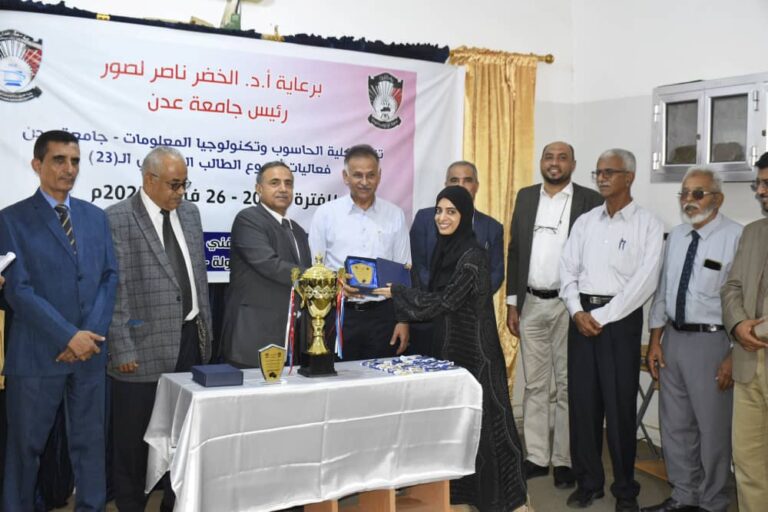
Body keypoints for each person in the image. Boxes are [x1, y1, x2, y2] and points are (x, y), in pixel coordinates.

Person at [374, 186, 527, 511]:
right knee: (458, 425)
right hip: (451, 349)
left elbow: (446, 301)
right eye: (439, 211)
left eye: (451, 212)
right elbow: (438, 298)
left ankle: (501, 500)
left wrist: (397, 293)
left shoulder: (473, 256)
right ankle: (460, 494)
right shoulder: (446, 250)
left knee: (485, 427)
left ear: (465, 215)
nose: (442, 218)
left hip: (476, 353)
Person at [0, 130, 118, 511]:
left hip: (89, 355)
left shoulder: (96, 217)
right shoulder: (10, 220)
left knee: (90, 448)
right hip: (37, 355)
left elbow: (109, 277)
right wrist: (69, 337)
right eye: (59, 160)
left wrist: (88, 337)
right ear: (37, 165)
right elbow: (18, 290)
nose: (69, 169)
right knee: (24, 452)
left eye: (75, 161)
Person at [106, 146, 213, 511]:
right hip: (141, 346)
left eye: (184, 184)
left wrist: (205, 334)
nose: (180, 192)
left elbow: (198, 276)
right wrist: (122, 347)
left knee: (182, 438)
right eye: (173, 184)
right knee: (133, 444)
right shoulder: (118, 218)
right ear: (149, 179)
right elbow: (115, 289)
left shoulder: (191, 214)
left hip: (190, 341)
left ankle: (174, 504)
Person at [559, 148, 664, 512]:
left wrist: (602, 316)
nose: (602, 178)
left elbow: (644, 283)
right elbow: (567, 270)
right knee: (583, 406)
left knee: (619, 409)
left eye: (609, 172)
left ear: (629, 177)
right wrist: (576, 311)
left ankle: (625, 491)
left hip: (620, 321)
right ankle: (588, 483)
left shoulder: (647, 224)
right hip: (580, 318)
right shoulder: (586, 221)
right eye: (598, 172)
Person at [643, 167, 740, 512]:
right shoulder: (678, 236)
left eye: (698, 193)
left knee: (712, 429)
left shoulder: (736, 237)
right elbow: (663, 291)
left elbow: (744, 302)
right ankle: (684, 496)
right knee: (675, 425)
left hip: (712, 344)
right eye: (684, 193)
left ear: (718, 198)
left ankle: (712, 501)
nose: (688, 200)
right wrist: (656, 340)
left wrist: (733, 355)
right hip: (673, 339)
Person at [506, 141, 602, 487]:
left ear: (573, 164)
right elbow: (515, 250)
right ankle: (536, 456)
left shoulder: (590, 200)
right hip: (531, 302)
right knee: (535, 384)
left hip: (569, 307)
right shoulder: (526, 196)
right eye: (549, 157)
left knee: (566, 384)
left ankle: (564, 459)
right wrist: (513, 302)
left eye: (562, 158)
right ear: (541, 162)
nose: (555, 163)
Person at [309, 144, 410, 360]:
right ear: (345, 177)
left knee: (381, 376)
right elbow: (315, 269)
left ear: (379, 176)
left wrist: (403, 320)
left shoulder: (395, 215)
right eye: (357, 175)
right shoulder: (326, 214)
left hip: (383, 317)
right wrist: (336, 286)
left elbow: (403, 271)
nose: (364, 182)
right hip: (340, 315)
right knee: (339, 377)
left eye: (370, 175)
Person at [221, 161, 311, 367]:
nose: (283, 189)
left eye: (288, 183)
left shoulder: (297, 230)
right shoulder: (248, 219)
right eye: (275, 183)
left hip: (290, 338)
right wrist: (321, 278)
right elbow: (270, 264)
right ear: (259, 188)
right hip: (254, 336)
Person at [721, 152, 768, 512]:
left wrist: (759, 328)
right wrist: (738, 324)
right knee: (749, 463)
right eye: (759, 184)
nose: (760, 191)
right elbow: (731, 287)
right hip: (749, 362)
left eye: (766, 184)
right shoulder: (752, 233)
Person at [411, 160, 504, 292]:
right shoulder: (424, 219)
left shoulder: (493, 227)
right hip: (429, 299)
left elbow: (496, 273)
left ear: (476, 186)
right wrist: (441, 296)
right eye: (454, 180)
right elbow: (417, 265)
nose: (461, 185)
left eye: (467, 180)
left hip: (471, 302)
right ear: (446, 185)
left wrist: (469, 296)